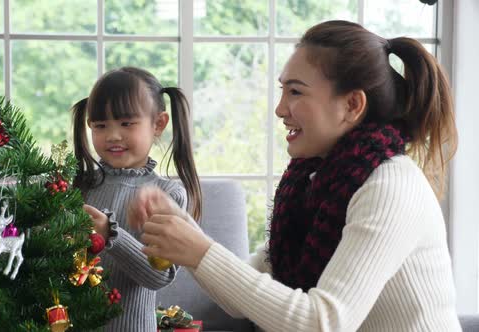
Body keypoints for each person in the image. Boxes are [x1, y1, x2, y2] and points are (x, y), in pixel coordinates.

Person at [129, 20, 462, 331]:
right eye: (283, 90)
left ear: (351, 105)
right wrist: (182, 229)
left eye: (296, 92)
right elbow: (241, 298)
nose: (280, 109)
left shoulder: (390, 185)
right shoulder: (314, 181)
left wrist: (199, 249)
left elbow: (324, 321)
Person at [71, 66, 202, 332]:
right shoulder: (80, 186)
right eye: (100, 125)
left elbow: (159, 276)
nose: (113, 135)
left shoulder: (166, 195)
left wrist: (111, 235)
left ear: (158, 124)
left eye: (126, 123)